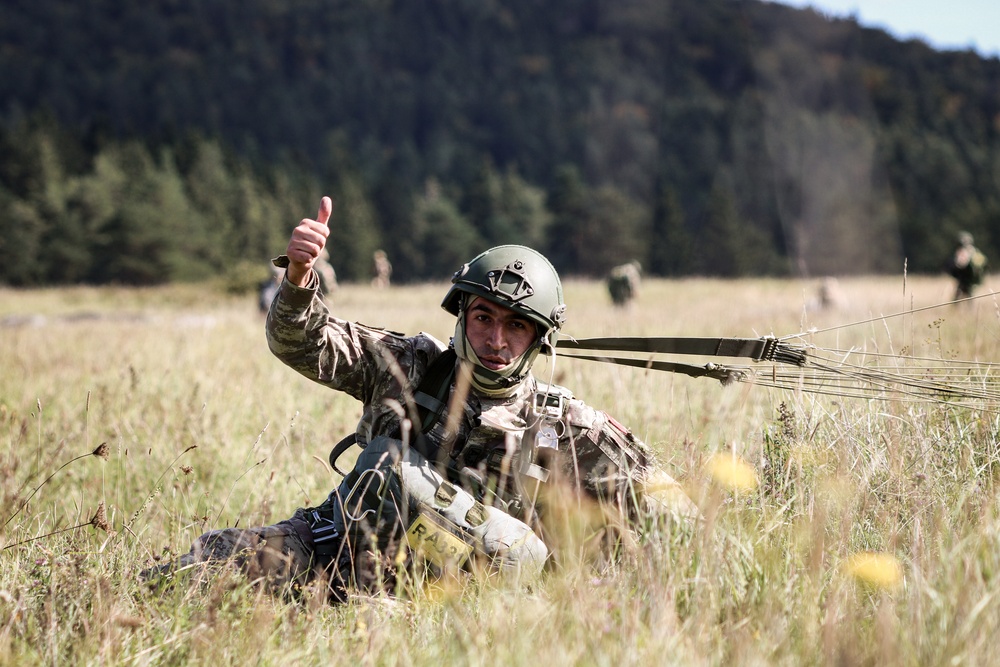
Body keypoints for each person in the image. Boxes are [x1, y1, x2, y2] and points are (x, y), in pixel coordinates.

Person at [144, 197, 693, 601]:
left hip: (457, 590)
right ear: (461, 316)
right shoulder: (408, 363)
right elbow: (302, 342)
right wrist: (299, 277)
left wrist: (594, 586)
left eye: (517, 327)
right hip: (344, 544)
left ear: (539, 338)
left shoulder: (563, 425)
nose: (496, 340)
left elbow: (676, 516)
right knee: (197, 573)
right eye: (483, 318)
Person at [946, 231, 987, 301]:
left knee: (961, 294)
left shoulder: (964, 251)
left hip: (966, 278)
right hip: (968, 278)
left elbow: (960, 264)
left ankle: (960, 309)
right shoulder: (974, 251)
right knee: (966, 294)